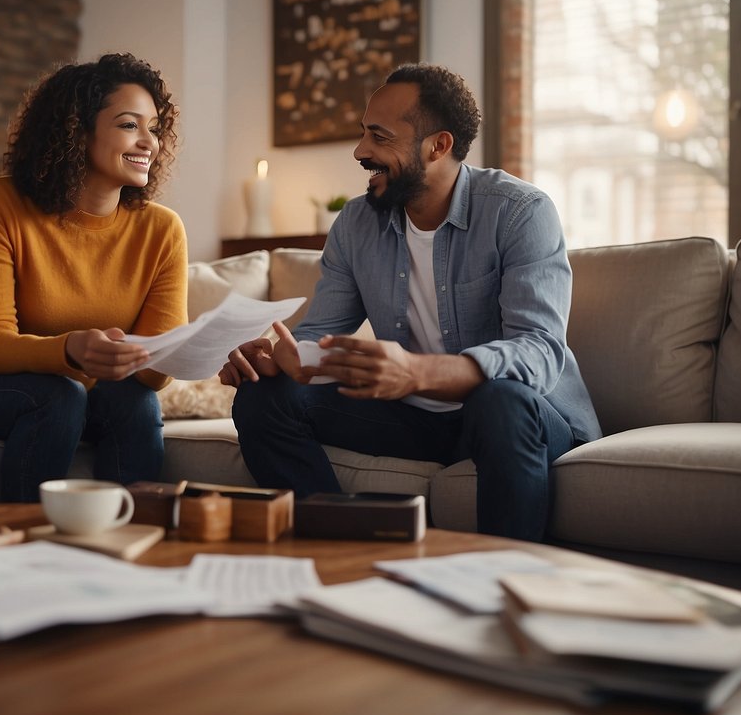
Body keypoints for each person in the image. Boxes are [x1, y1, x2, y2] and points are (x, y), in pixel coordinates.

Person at [220, 64, 600, 542]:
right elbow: (320, 332)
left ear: (437, 146)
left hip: (518, 416)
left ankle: (507, 581)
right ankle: (338, 544)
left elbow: (540, 351)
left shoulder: (520, 211)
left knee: (501, 400)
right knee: (263, 399)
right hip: (412, 415)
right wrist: (287, 358)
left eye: (378, 137)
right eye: (363, 134)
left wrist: (417, 372)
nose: (360, 151)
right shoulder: (356, 224)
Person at [0, 53, 187, 502]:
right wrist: (71, 349)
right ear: (77, 130)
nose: (150, 143)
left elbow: (154, 374)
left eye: (155, 128)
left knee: (135, 402)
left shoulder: (162, 229)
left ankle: (134, 541)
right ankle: (28, 542)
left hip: (80, 389)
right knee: (59, 395)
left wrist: (182, 353)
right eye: (129, 125)